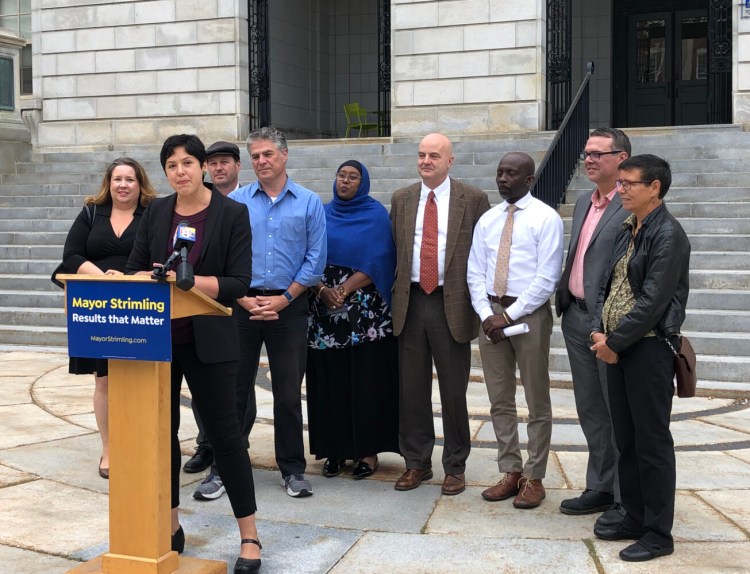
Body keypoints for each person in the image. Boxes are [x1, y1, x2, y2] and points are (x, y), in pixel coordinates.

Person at [126, 134, 261, 573]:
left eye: (187, 162)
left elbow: (239, 281)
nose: (180, 171)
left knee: (225, 436)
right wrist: (150, 276)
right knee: (161, 436)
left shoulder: (232, 213)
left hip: (210, 342)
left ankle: (250, 537)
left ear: (203, 166)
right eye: (171, 165)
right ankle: (170, 527)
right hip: (158, 340)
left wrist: (192, 282)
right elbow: (136, 266)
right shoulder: (157, 212)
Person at [590, 154, 690, 562]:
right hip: (617, 345)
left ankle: (658, 532)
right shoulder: (628, 228)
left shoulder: (669, 234)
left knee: (651, 441)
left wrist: (616, 342)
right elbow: (609, 284)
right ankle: (632, 513)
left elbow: (653, 301)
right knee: (626, 438)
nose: (622, 188)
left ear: (655, 188)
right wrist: (600, 328)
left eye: (630, 183)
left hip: (647, 348)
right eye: (622, 182)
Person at [390, 133, 490, 496]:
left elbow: (483, 255)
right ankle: (416, 462)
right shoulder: (401, 199)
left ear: (450, 161)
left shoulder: (474, 199)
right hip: (411, 303)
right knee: (412, 390)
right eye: (421, 155)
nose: (426, 161)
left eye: (434, 155)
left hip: (452, 303)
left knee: (453, 391)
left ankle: (455, 466)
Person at [229, 127, 326, 498]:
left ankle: (292, 470)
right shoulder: (236, 201)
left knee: (287, 393)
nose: (261, 161)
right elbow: (223, 254)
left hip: (289, 308)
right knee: (235, 392)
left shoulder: (308, 202)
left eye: (268, 154)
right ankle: (227, 468)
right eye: (255, 156)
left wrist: (285, 298)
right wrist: (242, 298)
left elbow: (315, 259)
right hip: (243, 305)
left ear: (284, 156)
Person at [467, 152, 563, 509]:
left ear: (529, 180)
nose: (503, 179)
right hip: (490, 313)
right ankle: (510, 470)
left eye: (511, 174)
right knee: (499, 399)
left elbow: (547, 277)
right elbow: (475, 270)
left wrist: (508, 316)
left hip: (529, 315)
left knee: (537, 399)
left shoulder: (545, 218)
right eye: (499, 172)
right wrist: (485, 312)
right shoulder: (488, 220)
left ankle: (534, 477)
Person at [63, 157, 157, 479]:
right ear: (109, 182)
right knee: (103, 379)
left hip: (140, 307)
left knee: (139, 377)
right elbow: (71, 256)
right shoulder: (92, 211)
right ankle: (109, 447)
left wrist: (131, 277)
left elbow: (160, 258)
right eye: (117, 179)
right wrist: (104, 276)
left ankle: (141, 443)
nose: (123, 185)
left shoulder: (152, 213)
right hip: (98, 306)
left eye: (130, 179)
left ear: (139, 183)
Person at [555, 128, 631, 522]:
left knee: (616, 407)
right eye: (586, 153)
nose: (589, 159)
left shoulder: (632, 202)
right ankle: (600, 486)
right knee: (590, 407)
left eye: (598, 154)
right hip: (576, 317)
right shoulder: (585, 201)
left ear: (621, 158)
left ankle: (624, 495)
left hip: (608, 323)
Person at [306, 160, 399, 479]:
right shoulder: (321, 213)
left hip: (365, 316)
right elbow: (307, 256)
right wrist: (321, 290)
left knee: (365, 381)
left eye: (353, 177)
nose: (345, 181)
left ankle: (367, 453)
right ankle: (334, 450)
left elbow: (380, 257)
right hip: (325, 314)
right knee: (331, 382)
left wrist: (343, 289)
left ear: (364, 182)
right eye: (341, 175)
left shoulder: (375, 215)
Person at [183, 140, 243, 482]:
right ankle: (205, 445)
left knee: (233, 387)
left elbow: (241, 269)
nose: (219, 168)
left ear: (237, 166)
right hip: (189, 311)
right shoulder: (179, 209)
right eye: (214, 162)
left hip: (233, 304)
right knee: (199, 387)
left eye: (225, 162)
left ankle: (228, 450)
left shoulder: (243, 205)